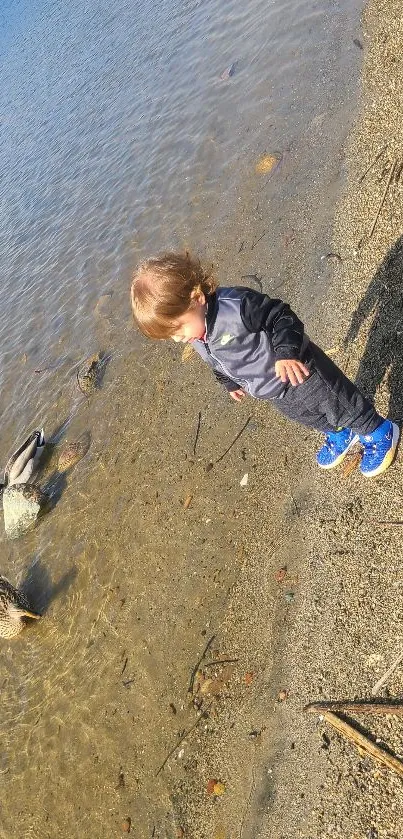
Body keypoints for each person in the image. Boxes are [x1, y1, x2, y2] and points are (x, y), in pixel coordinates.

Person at [130, 252, 399, 478]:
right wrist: (229, 382)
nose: (179, 340)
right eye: (171, 337)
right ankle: (340, 432)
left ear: (196, 298)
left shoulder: (236, 306)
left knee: (336, 401)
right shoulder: (198, 333)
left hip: (299, 369)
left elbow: (280, 316)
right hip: (268, 388)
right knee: (307, 415)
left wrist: (286, 352)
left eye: (178, 329)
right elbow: (214, 360)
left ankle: (376, 430)